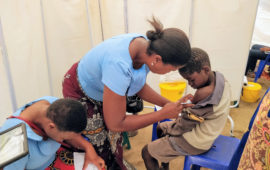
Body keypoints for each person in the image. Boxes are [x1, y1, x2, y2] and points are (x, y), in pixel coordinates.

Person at [62, 17, 193, 169]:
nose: (171, 72)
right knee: (96, 143)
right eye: (172, 69)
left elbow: (138, 84)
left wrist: (167, 104)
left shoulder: (147, 47)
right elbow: (116, 123)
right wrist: (162, 114)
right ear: (157, 59)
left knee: (113, 140)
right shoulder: (119, 66)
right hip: (81, 89)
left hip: (103, 85)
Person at [141, 47, 231, 170]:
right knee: (161, 128)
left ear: (205, 69)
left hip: (195, 142)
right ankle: (165, 162)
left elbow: (183, 126)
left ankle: (163, 159)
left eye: (191, 79)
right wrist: (189, 106)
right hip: (208, 133)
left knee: (146, 152)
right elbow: (200, 113)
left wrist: (171, 128)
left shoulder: (203, 93)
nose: (190, 84)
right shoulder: (221, 80)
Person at [0, 96, 105, 170]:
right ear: (51, 126)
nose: (62, 141)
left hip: (54, 157)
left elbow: (70, 133)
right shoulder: (14, 141)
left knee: (98, 166)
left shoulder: (55, 106)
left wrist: (88, 148)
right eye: (63, 138)